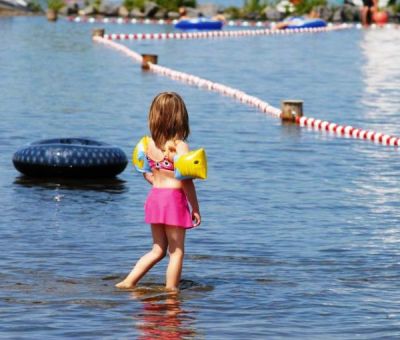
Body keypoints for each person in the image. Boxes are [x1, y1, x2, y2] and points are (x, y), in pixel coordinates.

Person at [116, 92, 201, 292]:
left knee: (157, 250)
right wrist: (195, 208)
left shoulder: (148, 144)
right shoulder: (180, 146)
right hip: (174, 201)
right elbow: (186, 180)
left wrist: (156, 180)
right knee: (176, 251)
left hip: (155, 198)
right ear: (181, 118)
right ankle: (171, 292)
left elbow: (146, 172)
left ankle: (128, 282)